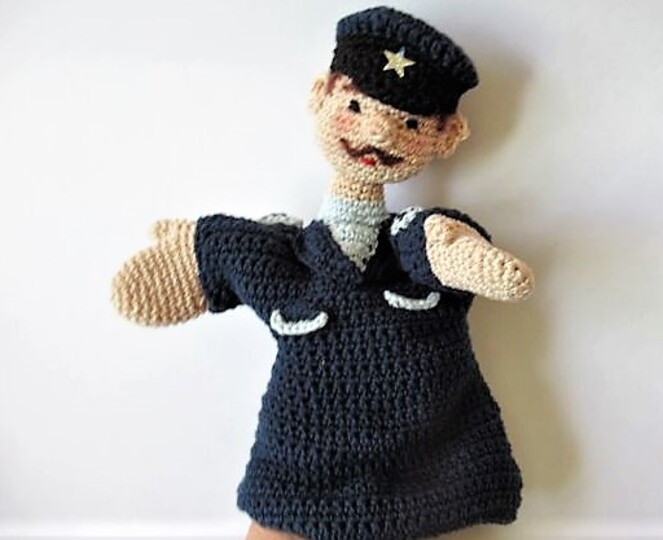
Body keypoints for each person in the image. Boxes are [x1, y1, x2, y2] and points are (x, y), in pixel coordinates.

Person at [112, 6, 534, 540]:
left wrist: (472, 261)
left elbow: (441, 247)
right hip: (303, 443)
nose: (377, 131)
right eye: (355, 106)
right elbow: (231, 250)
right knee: (275, 526)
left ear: (445, 136)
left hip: (417, 444)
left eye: (408, 123)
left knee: (418, 519)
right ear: (323, 96)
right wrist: (191, 255)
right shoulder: (287, 254)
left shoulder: (414, 239)